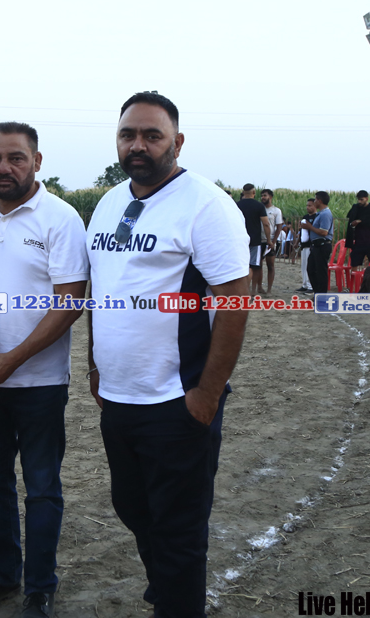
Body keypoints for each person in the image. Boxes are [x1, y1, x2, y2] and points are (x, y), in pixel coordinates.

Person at [87, 92, 250, 618]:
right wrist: (94, 363)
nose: (138, 145)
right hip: (119, 396)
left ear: (177, 142)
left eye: (152, 135)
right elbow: (102, 290)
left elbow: (235, 302)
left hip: (177, 399)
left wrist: (207, 394)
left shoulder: (206, 204)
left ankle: (177, 600)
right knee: (132, 507)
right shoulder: (109, 203)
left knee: (179, 528)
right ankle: (166, 586)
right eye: (128, 134)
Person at [0, 122, 89, 618]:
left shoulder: (61, 217)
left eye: (15, 157)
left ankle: (40, 587)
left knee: (42, 489)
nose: (4, 167)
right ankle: (2, 575)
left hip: (39, 383)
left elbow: (69, 302)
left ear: (37, 161)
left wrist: (13, 359)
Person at [236, 184, 271, 297]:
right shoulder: (259, 206)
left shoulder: (236, 205)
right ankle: (252, 290)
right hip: (255, 240)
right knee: (254, 266)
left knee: (241, 266)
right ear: (254, 192)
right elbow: (266, 224)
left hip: (239, 240)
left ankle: (242, 289)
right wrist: (269, 240)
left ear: (243, 192)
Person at [306, 191, 333, 294]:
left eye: (315, 199)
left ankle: (321, 295)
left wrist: (310, 227)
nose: (314, 202)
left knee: (320, 272)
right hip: (316, 246)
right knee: (311, 269)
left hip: (322, 245)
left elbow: (324, 232)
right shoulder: (320, 214)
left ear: (320, 201)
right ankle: (317, 292)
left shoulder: (325, 214)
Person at [259, 189, 283, 294]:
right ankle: (259, 287)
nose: (263, 197)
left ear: (270, 197)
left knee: (270, 265)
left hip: (271, 240)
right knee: (258, 265)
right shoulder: (259, 209)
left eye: (265, 195)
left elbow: (279, 227)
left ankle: (269, 289)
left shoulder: (276, 211)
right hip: (259, 240)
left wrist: (273, 241)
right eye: (262, 196)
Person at [296, 199, 316, 293]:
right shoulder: (305, 217)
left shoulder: (317, 217)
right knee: (303, 266)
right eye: (307, 205)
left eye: (310, 205)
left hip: (310, 244)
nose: (308, 207)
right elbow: (302, 231)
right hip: (304, 244)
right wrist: (297, 241)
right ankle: (304, 284)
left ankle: (311, 286)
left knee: (309, 266)